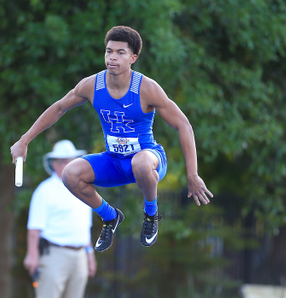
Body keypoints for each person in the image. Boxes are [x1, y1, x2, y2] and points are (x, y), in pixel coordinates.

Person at [11, 25, 213, 253]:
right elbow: (59, 108)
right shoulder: (91, 85)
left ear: (133, 57)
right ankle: (110, 217)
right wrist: (24, 140)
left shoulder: (147, 88)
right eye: (109, 51)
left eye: (120, 52)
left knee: (141, 162)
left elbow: (183, 125)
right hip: (114, 161)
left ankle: (151, 214)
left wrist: (192, 174)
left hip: (149, 160)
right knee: (70, 174)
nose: (112, 57)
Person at [24, 139, 96, 298]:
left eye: (71, 160)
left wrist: (89, 254)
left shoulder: (84, 188)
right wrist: (32, 255)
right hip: (54, 253)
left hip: (79, 254)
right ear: (54, 164)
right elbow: (34, 228)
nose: (68, 163)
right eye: (63, 160)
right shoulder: (46, 191)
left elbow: (86, 226)